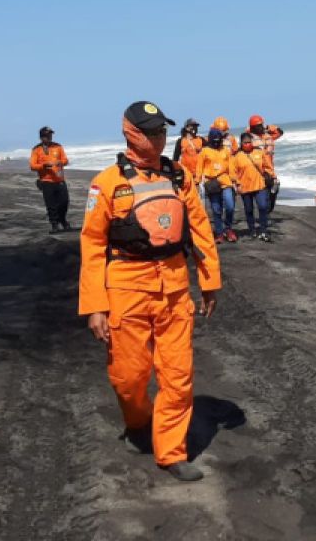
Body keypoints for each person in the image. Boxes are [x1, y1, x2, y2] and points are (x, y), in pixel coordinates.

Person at [78, 100, 221, 483]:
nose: (161, 138)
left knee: (178, 375)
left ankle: (172, 452)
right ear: (132, 134)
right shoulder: (107, 183)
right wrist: (95, 306)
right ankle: (138, 420)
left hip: (174, 287)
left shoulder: (179, 177)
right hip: (125, 287)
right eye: (153, 132)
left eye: (163, 131)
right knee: (129, 377)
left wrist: (209, 281)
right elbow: (92, 245)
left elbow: (201, 229)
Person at [230, 131, 275, 242]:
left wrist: (273, 176)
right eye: (245, 143)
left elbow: (268, 166)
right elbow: (233, 172)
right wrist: (237, 184)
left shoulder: (260, 152)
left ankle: (263, 230)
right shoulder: (236, 157)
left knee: (263, 206)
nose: (247, 144)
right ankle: (252, 230)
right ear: (241, 144)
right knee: (249, 210)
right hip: (245, 187)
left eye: (249, 142)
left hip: (260, 185)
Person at [196, 129, 237, 242]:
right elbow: (199, 168)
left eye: (218, 141)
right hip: (211, 182)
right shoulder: (204, 151)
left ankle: (228, 229)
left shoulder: (226, 150)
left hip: (225, 181)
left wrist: (234, 181)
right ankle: (219, 233)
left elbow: (231, 166)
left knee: (230, 206)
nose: (216, 143)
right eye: (214, 141)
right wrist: (197, 181)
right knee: (216, 209)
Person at [30, 126, 71, 232]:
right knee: (51, 204)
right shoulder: (36, 149)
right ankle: (54, 224)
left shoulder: (58, 146)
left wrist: (60, 162)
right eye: (47, 135)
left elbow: (66, 160)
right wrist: (43, 166)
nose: (49, 137)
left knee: (64, 202)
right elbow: (32, 166)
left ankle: (62, 219)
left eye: (50, 135)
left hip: (60, 180)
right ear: (41, 137)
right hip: (46, 181)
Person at [246, 115, 284, 211]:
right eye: (258, 126)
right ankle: (263, 210)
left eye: (261, 125)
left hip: (270, 168)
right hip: (257, 169)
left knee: (274, 189)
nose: (261, 127)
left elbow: (280, 132)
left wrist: (268, 127)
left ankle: (268, 206)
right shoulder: (250, 138)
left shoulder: (268, 136)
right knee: (262, 193)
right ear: (253, 127)